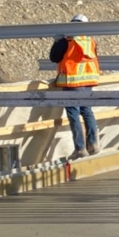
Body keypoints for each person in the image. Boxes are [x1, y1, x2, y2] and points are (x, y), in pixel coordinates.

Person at [50, 14, 100, 160]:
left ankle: (80, 148)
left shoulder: (67, 41)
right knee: (87, 112)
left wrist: (56, 42)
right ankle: (93, 144)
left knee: (74, 115)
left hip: (72, 82)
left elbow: (54, 58)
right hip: (88, 82)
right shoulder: (91, 41)